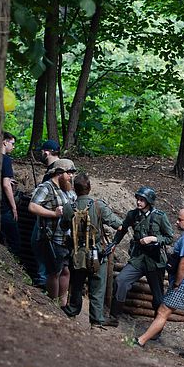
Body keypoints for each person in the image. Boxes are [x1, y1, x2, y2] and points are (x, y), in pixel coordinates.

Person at [134, 207, 184, 360]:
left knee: (162, 311)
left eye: (180, 220)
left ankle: (140, 341)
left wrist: (177, 283)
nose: (176, 222)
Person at [60, 174, 124, 327]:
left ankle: (72, 310)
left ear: (75, 189)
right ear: (89, 188)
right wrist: (114, 242)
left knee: (76, 284)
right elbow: (119, 225)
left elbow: (63, 227)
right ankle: (96, 320)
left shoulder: (69, 207)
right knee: (97, 286)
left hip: (77, 253)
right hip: (97, 254)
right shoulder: (98, 205)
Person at [105, 186, 174, 326]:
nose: (138, 202)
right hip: (138, 257)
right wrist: (114, 243)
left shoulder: (160, 216)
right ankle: (114, 318)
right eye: (138, 199)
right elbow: (122, 229)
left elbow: (169, 237)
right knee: (121, 281)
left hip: (155, 260)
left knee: (157, 296)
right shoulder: (133, 215)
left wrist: (154, 238)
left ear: (149, 201)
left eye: (142, 200)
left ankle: (157, 328)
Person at [28, 158, 77, 304]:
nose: (72, 176)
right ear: (59, 173)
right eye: (69, 173)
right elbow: (32, 207)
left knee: (66, 271)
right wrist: (53, 214)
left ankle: (62, 304)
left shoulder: (66, 189)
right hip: (52, 238)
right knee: (54, 273)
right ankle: (52, 303)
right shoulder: (46, 188)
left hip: (66, 239)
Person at [30, 139, 61, 288]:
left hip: (49, 219)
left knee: (41, 246)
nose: (41, 154)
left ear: (47, 152)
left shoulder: (54, 172)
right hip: (50, 216)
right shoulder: (58, 169)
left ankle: (43, 281)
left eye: (43, 152)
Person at [0, 132, 20, 255]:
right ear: (4, 142)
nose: (13, 147)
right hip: (3, 208)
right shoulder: (5, 159)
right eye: (12, 143)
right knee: (15, 242)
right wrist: (14, 207)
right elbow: (6, 185)